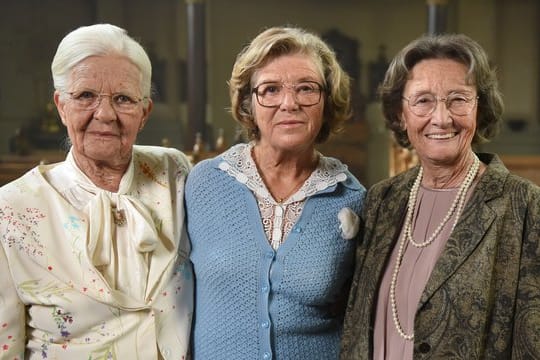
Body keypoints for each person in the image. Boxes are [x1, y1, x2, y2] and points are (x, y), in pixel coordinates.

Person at [340, 33, 540, 359]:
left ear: (481, 108)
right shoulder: (381, 201)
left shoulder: (525, 208)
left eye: (458, 99)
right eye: (423, 100)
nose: (441, 118)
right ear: (400, 115)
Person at [0, 24, 193, 359]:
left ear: (144, 112)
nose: (104, 114)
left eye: (123, 99)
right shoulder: (11, 209)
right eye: (86, 96)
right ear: (61, 105)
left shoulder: (175, 173)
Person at [185, 26, 366, 359]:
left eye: (306, 89)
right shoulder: (203, 183)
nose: (289, 103)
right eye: (270, 90)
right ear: (248, 103)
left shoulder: (352, 199)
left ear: (326, 102)